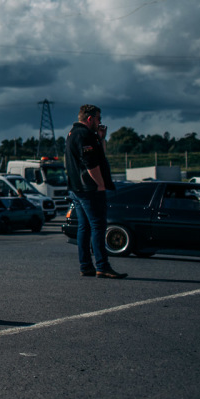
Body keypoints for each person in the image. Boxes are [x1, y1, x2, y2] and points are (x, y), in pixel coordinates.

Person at [64, 103, 126, 279]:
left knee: (84, 227)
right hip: (89, 189)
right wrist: (100, 184)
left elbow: (99, 155)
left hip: (77, 188)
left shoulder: (73, 134)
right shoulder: (84, 135)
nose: (100, 122)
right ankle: (102, 266)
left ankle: (86, 265)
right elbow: (91, 163)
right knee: (98, 226)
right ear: (90, 118)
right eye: (98, 118)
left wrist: (100, 138)